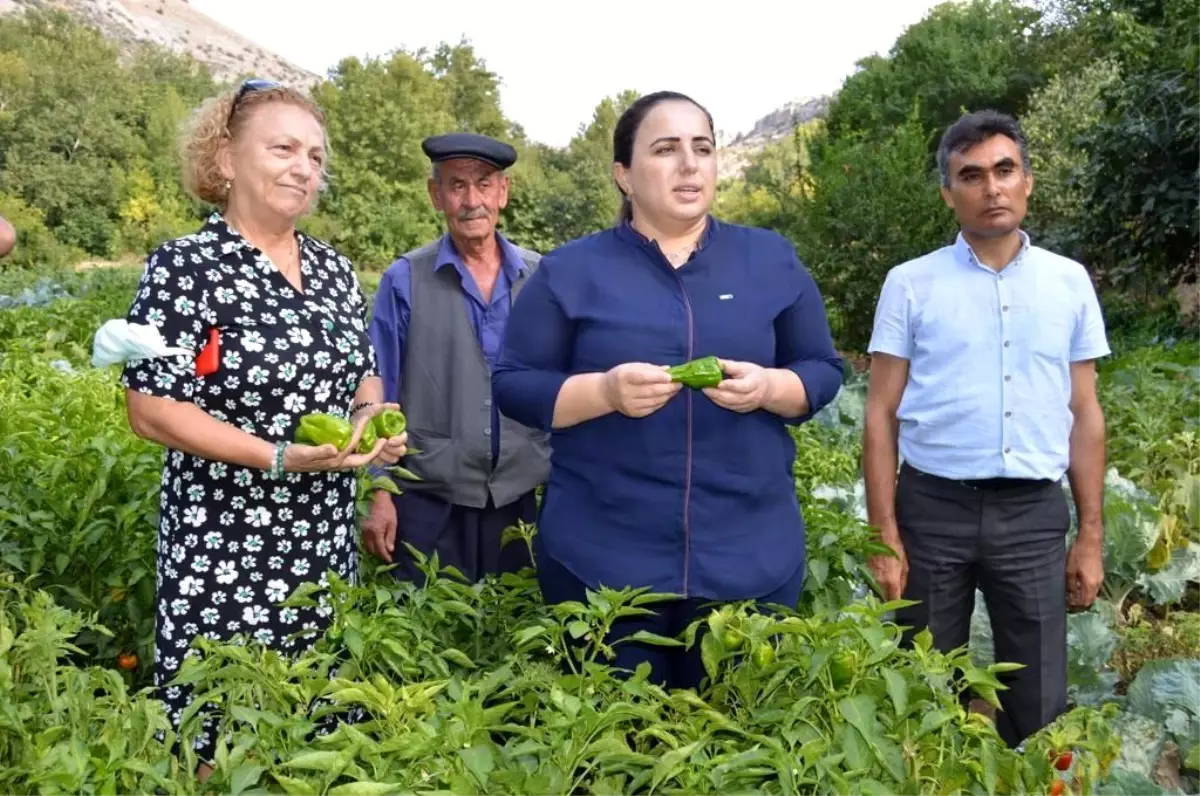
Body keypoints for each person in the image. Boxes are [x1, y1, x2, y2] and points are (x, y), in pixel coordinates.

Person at [492, 91, 844, 690]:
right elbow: (515, 385)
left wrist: (770, 386)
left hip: (749, 557)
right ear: (623, 175)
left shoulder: (769, 259)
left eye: (702, 148)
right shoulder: (571, 271)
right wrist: (603, 392)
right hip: (604, 564)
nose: (689, 164)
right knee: (615, 749)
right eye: (665, 149)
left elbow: (821, 369)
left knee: (736, 749)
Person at [118, 78, 407, 773]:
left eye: (314, 155)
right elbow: (150, 407)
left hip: (319, 552)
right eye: (282, 148)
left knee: (315, 742)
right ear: (225, 160)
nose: (303, 168)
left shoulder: (335, 270)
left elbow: (363, 373)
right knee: (220, 745)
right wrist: (274, 456)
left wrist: (373, 426)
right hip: (223, 555)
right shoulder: (183, 269)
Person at [862, 109, 1109, 748]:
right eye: (971, 175)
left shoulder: (1069, 282)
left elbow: (1084, 411)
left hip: (1031, 515)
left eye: (1005, 170)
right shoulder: (910, 284)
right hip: (931, 510)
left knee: (1040, 698)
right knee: (920, 690)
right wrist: (883, 534)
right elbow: (880, 412)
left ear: (1028, 180)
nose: (991, 187)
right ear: (950, 193)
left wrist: (1090, 536)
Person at [361, 132, 550, 584]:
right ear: (435, 195)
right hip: (428, 503)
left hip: (523, 502)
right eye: (456, 185)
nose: (472, 200)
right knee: (426, 641)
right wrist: (379, 492)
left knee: (518, 637)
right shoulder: (404, 279)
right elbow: (377, 387)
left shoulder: (541, 277)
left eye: (484, 184)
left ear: (503, 192)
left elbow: (561, 384)